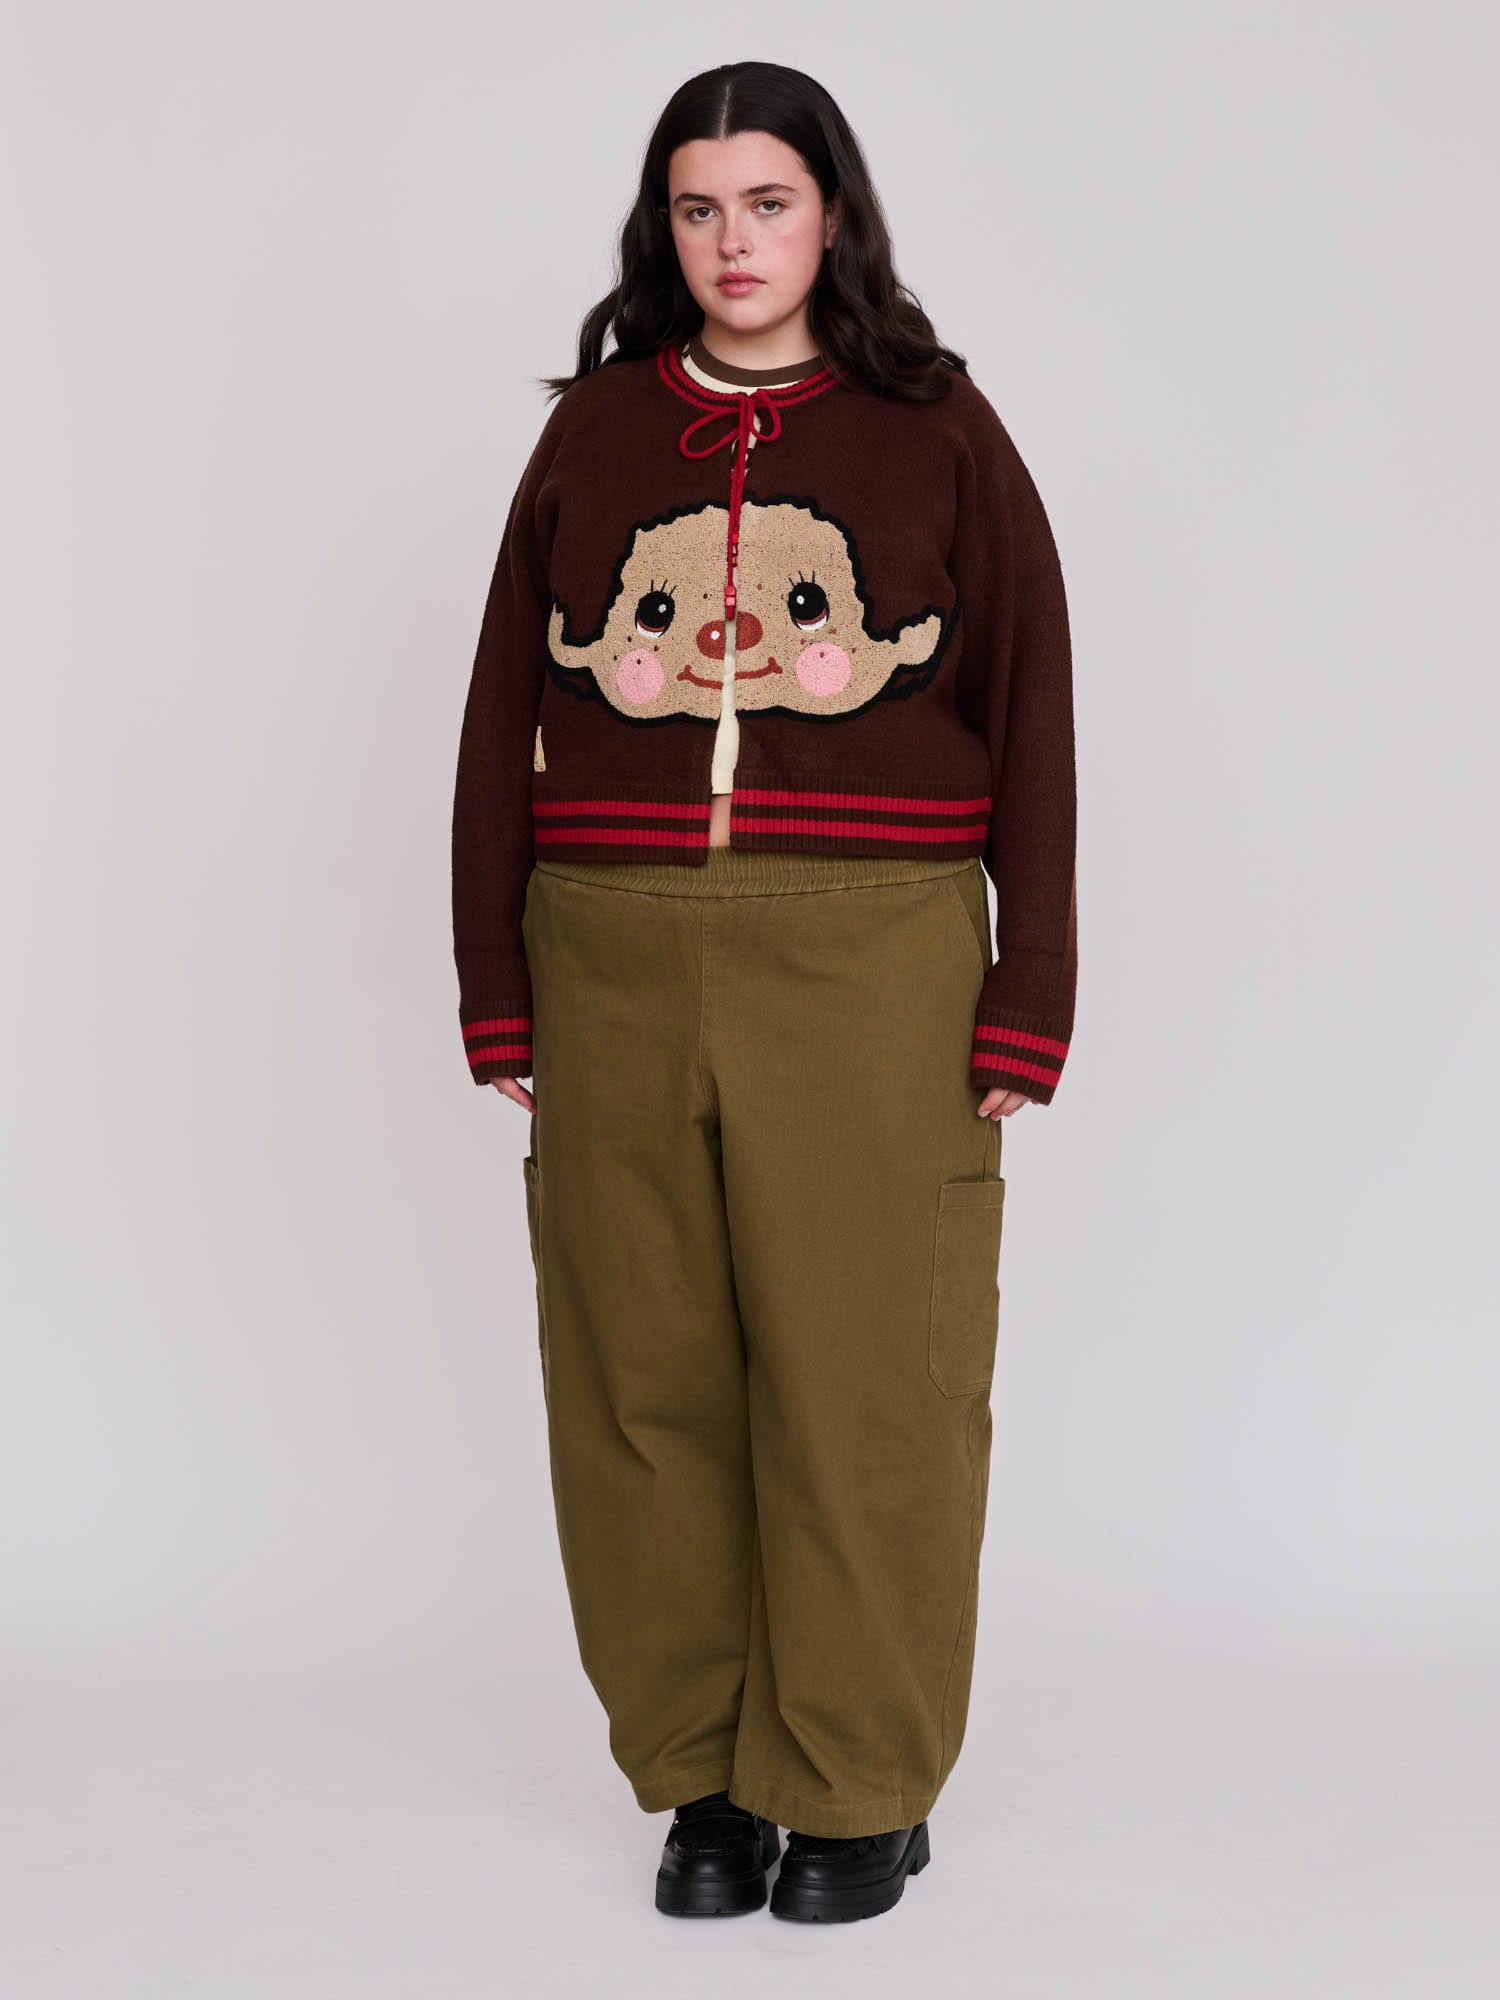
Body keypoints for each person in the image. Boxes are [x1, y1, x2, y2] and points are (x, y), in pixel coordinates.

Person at [450, 60, 1077, 1925]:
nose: (735, 243)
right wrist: (496, 978)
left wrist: (1030, 984)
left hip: (872, 961)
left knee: (866, 1381)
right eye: (700, 208)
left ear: (834, 216)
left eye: (770, 204)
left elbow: (1034, 699)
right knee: (641, 1382)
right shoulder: (596, 434)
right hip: (613, 955)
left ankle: (860, 1783)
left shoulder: (937, 426)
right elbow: (501, 709)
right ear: (666, 226)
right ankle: (707, 1777)